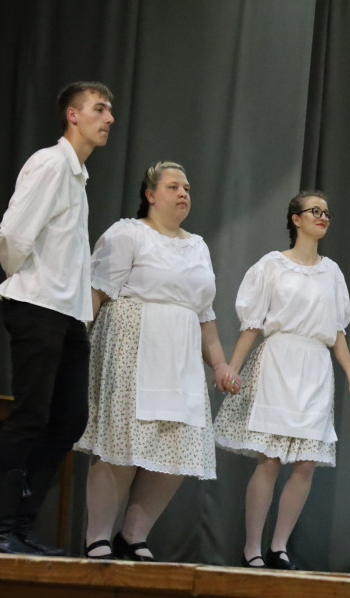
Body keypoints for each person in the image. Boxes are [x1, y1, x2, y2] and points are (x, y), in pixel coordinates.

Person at [75, 161, 237, 561]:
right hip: (133, 347)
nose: (183, 193)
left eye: (187, 188)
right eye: (173, 187)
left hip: (181, 355)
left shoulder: (197, 246)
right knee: (122, 442)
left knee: (176, 449)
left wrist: (219, 365)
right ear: (150, 195)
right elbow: (97, 293)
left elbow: (205, 314)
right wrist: (74, 343)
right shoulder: (128, 233)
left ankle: (133, 536)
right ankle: (97, 537)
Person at [0, 81, 114, 555]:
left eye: (110, 111)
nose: (109, 118)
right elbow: (13, 236)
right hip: (38, 306)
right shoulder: (51, 163)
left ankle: (20, 522)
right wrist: (27, 282)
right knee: (31, 415)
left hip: (68, 315)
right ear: (72, 115)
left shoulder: (78, 177)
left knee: (70, 418)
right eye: (99, 109)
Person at [214, 191, 350, 570]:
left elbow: (337, 331)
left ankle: (279, 547)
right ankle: (252, 549)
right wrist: (232, 367)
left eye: (327, 212)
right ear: (296, 219)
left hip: (315, 368)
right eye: (315, 211)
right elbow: (252, 324)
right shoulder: (273, 265)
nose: (323, 217)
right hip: (279, 362)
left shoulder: (332, 272)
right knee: (270, 460)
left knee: (305, 463)